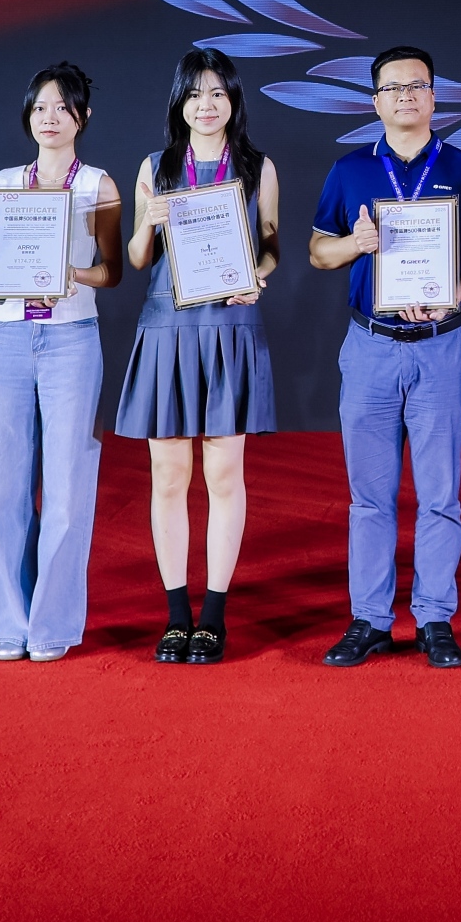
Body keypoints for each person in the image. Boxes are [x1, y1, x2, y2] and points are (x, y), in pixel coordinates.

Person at [307, 46, 461, 668]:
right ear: (376, 102)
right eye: (392, 88)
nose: (405, 96)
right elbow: (318, 252)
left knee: (439, 492)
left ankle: (434, 618)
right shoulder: (349, 170)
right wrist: (354, 244)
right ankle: (370, 619)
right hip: (370, 346)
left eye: (416, 86)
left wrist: (455, 291)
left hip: (441, 346)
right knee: (369, 495)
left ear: (433, 96)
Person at [119, 48, 283, 666]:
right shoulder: (155, 166)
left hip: (230, 326)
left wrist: (259, 276)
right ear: (179, 103)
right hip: (167, 326)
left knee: (223, 475)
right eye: (194, 94)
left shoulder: (258, 167)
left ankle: (213, 615)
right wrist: (151, 221)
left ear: (233, 100)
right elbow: (138, 257)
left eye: (217, 93)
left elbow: (270, 245)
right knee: (167, 477)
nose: (206, 105)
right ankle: (176, 615)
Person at [0, 63, 121, 665]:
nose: (49, 118)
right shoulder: (3, 183)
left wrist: (70, 273)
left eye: (61, 107)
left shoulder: (98, 185)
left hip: (71, 337)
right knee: (3, 484)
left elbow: (111, 271)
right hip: (5, 337)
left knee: (67, 485)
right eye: (39, 108)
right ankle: (9, 620)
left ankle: (51, 623)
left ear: (83, 116)